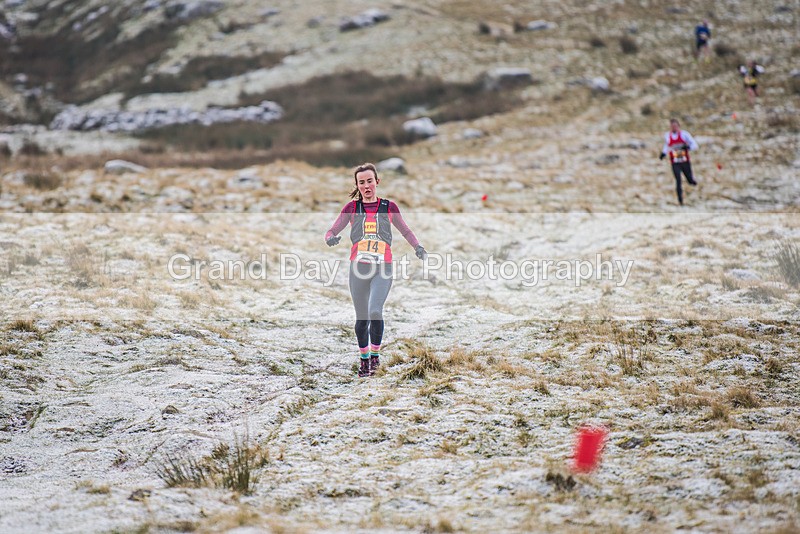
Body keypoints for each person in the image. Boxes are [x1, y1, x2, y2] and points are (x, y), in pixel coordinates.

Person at [325, 163, 427, 378]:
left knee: (374, 312)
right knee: (362, 319)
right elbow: (332, 229)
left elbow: (405, 230)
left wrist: (417, 246)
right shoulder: (351, 208)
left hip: (383, 267)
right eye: (361, 182)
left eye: (369, 181)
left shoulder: (389, 207)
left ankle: (375, 357)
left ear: (377, 182)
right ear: (357, 185)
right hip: (359, 270)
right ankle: (363, 360)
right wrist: (330, 238)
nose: (366, 185)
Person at [659, 119, 699, 206]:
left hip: (685, 161)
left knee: (689, 179)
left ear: (678, 126)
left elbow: (695, 145)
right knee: (678, 180)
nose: (674, 128)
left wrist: (687, 148)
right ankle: (680, 200)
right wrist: (663, 154)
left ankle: (693, 183)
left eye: (675, 126)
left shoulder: (684, 135)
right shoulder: (667, 136)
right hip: (675, 162)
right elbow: (667, 146)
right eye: (672, 126)